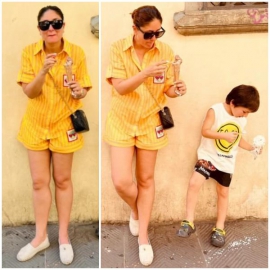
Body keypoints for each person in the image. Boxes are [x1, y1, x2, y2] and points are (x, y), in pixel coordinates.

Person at [104, 5, 186, 266]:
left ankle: (143, 238)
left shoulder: (166, 51)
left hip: (151, 121)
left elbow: (168, 90)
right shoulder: (118, 48)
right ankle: (136, 211)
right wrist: (144, 73)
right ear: (135, 29)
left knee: (146, 178)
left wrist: (178, 89)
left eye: (158, 33)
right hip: (122, 121)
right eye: (148, 34)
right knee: (121, 182)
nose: (153, 39)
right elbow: (120, 88)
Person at [16, 6, 91, 264]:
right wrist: (43, 71)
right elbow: (30, 92)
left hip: (63, 126)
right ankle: (39, 237)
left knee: (62, 180)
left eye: (56, 23)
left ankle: (63, 237)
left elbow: (81, 93)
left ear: (63, 26)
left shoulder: (76, 53)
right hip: (36, 126)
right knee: (39, 182)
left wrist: (79, 90)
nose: (51, 29)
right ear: (39, 29)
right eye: (46, 25)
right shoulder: (29, 53)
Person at [177, 85, 262, 247]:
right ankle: (188, 221)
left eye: (248, 113)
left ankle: (219, 228)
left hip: (226, 161)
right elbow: (205, 131)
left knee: (223, 192)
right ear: (232, 102)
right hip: (208, 157)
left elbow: (238, 140)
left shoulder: (242, 120)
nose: (245, 115)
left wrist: (252, 148)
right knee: (194, 182)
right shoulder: (215, 111)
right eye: (244, 111)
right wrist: (223, 135)